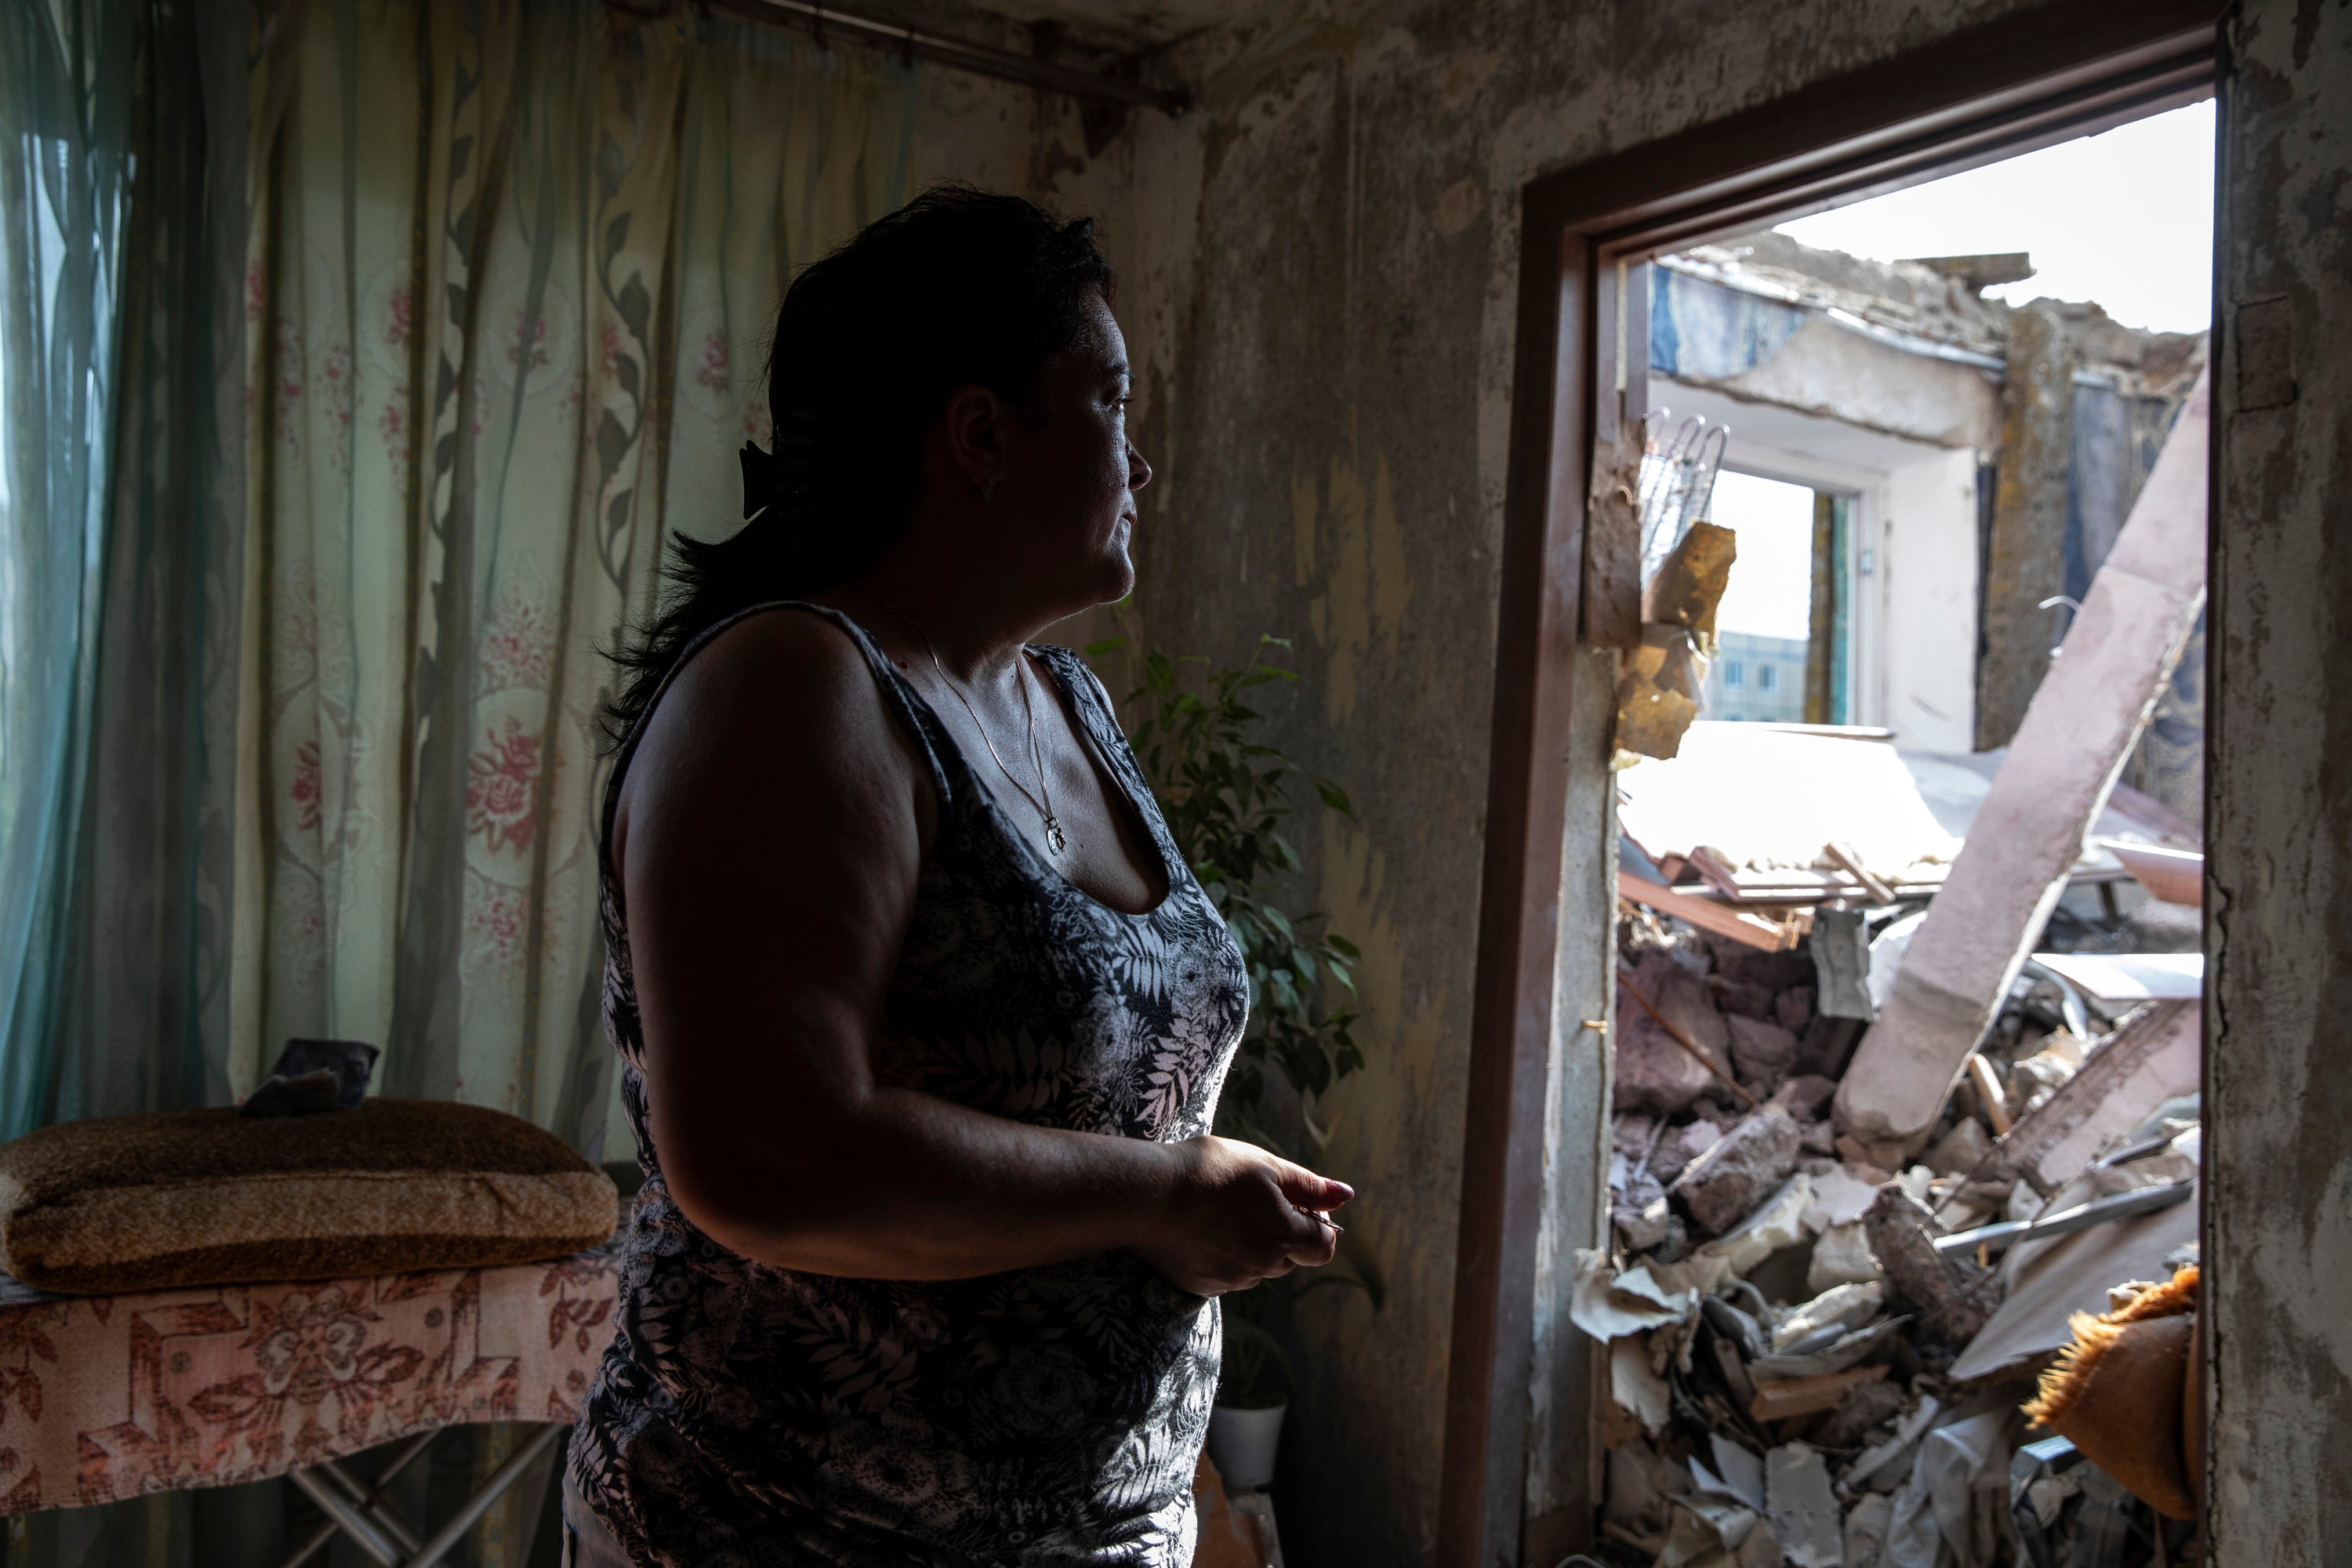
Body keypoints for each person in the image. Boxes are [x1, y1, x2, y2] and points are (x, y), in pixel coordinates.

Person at [561, 186, 1356, 1566]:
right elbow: (769, 1158)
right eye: (1107, 401)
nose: (1140, 461)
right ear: (983, 433)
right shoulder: (795, 686)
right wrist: (1168, 1196)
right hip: (788, 1534)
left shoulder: (1064, 698)